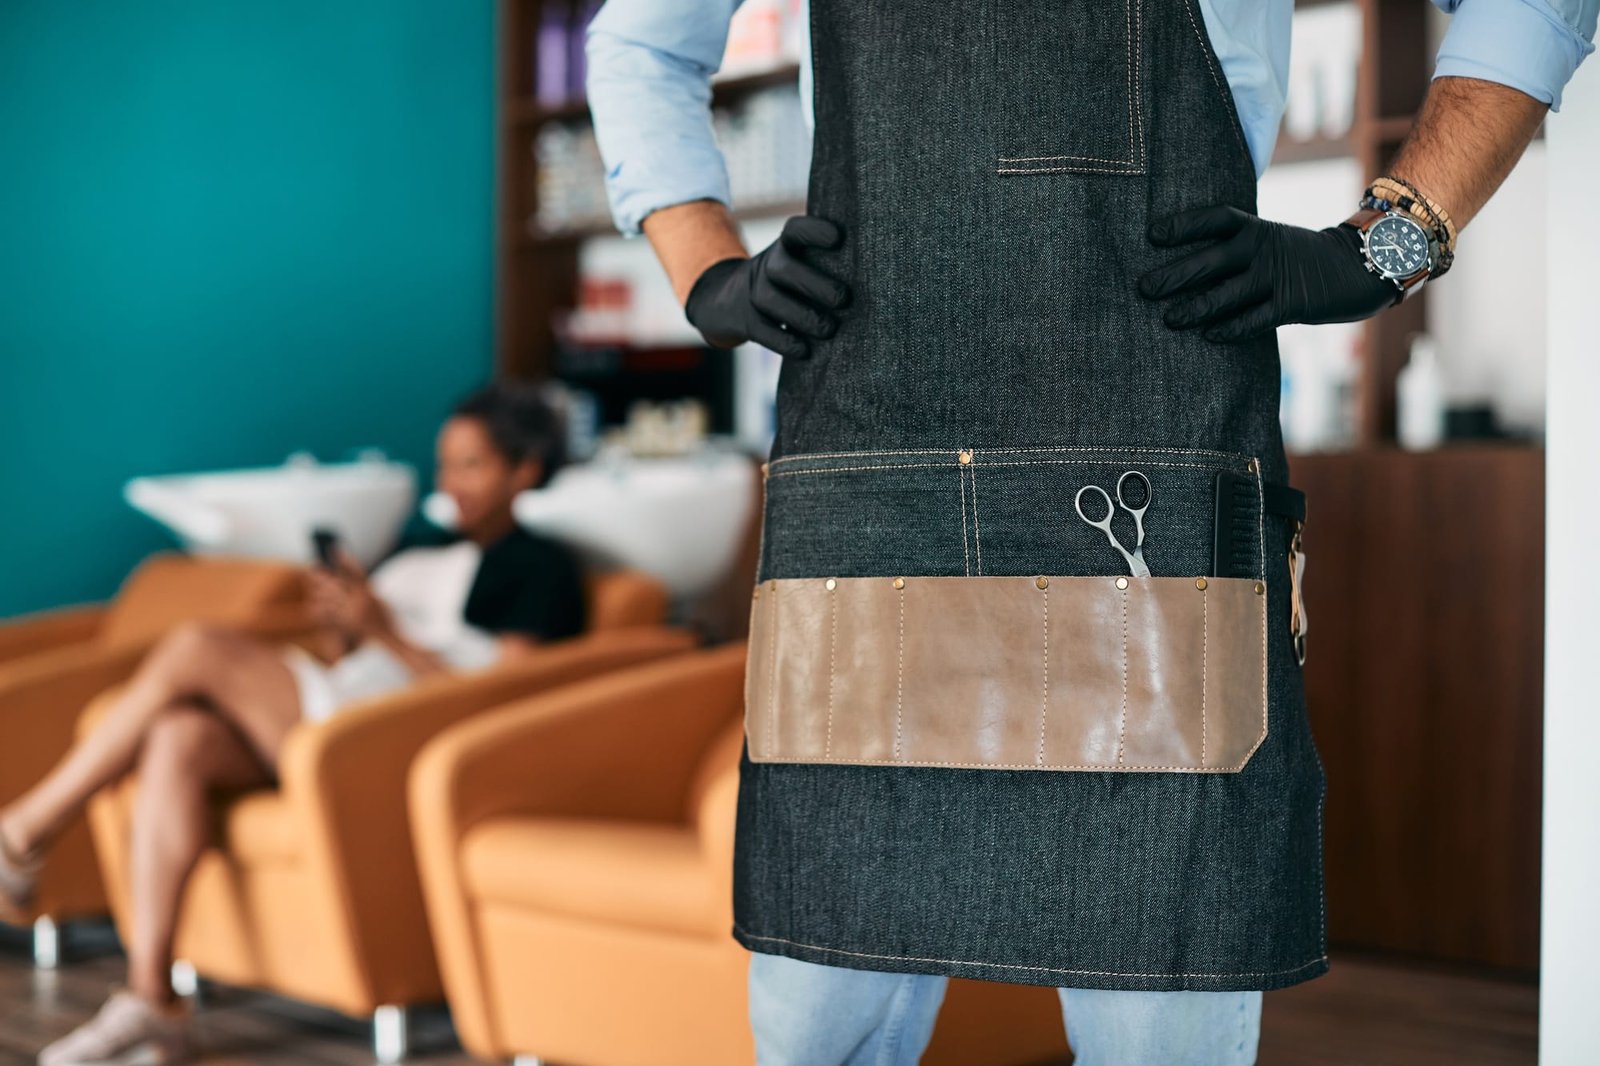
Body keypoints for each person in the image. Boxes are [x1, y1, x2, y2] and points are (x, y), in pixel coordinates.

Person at [585, 0, 1595, 1063]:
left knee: (1159, 1015)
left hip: (1155, 442)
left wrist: (1390, 242)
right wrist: (704, 268)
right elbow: (640, 39)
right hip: (869, 465)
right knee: (816, 1029)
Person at [0, 381, 588, 1066]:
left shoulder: (541, 569)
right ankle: (150, 996)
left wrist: (386, 632)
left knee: (196, 648)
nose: (450, 482)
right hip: (341, 713)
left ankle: (24, 831)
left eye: (472, 464)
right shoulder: (420, 555)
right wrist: (346, 627)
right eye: (446, 463)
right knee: (179, 737)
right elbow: (357, 659)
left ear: (526, 470)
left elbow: (502, 700)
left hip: (389, 740)